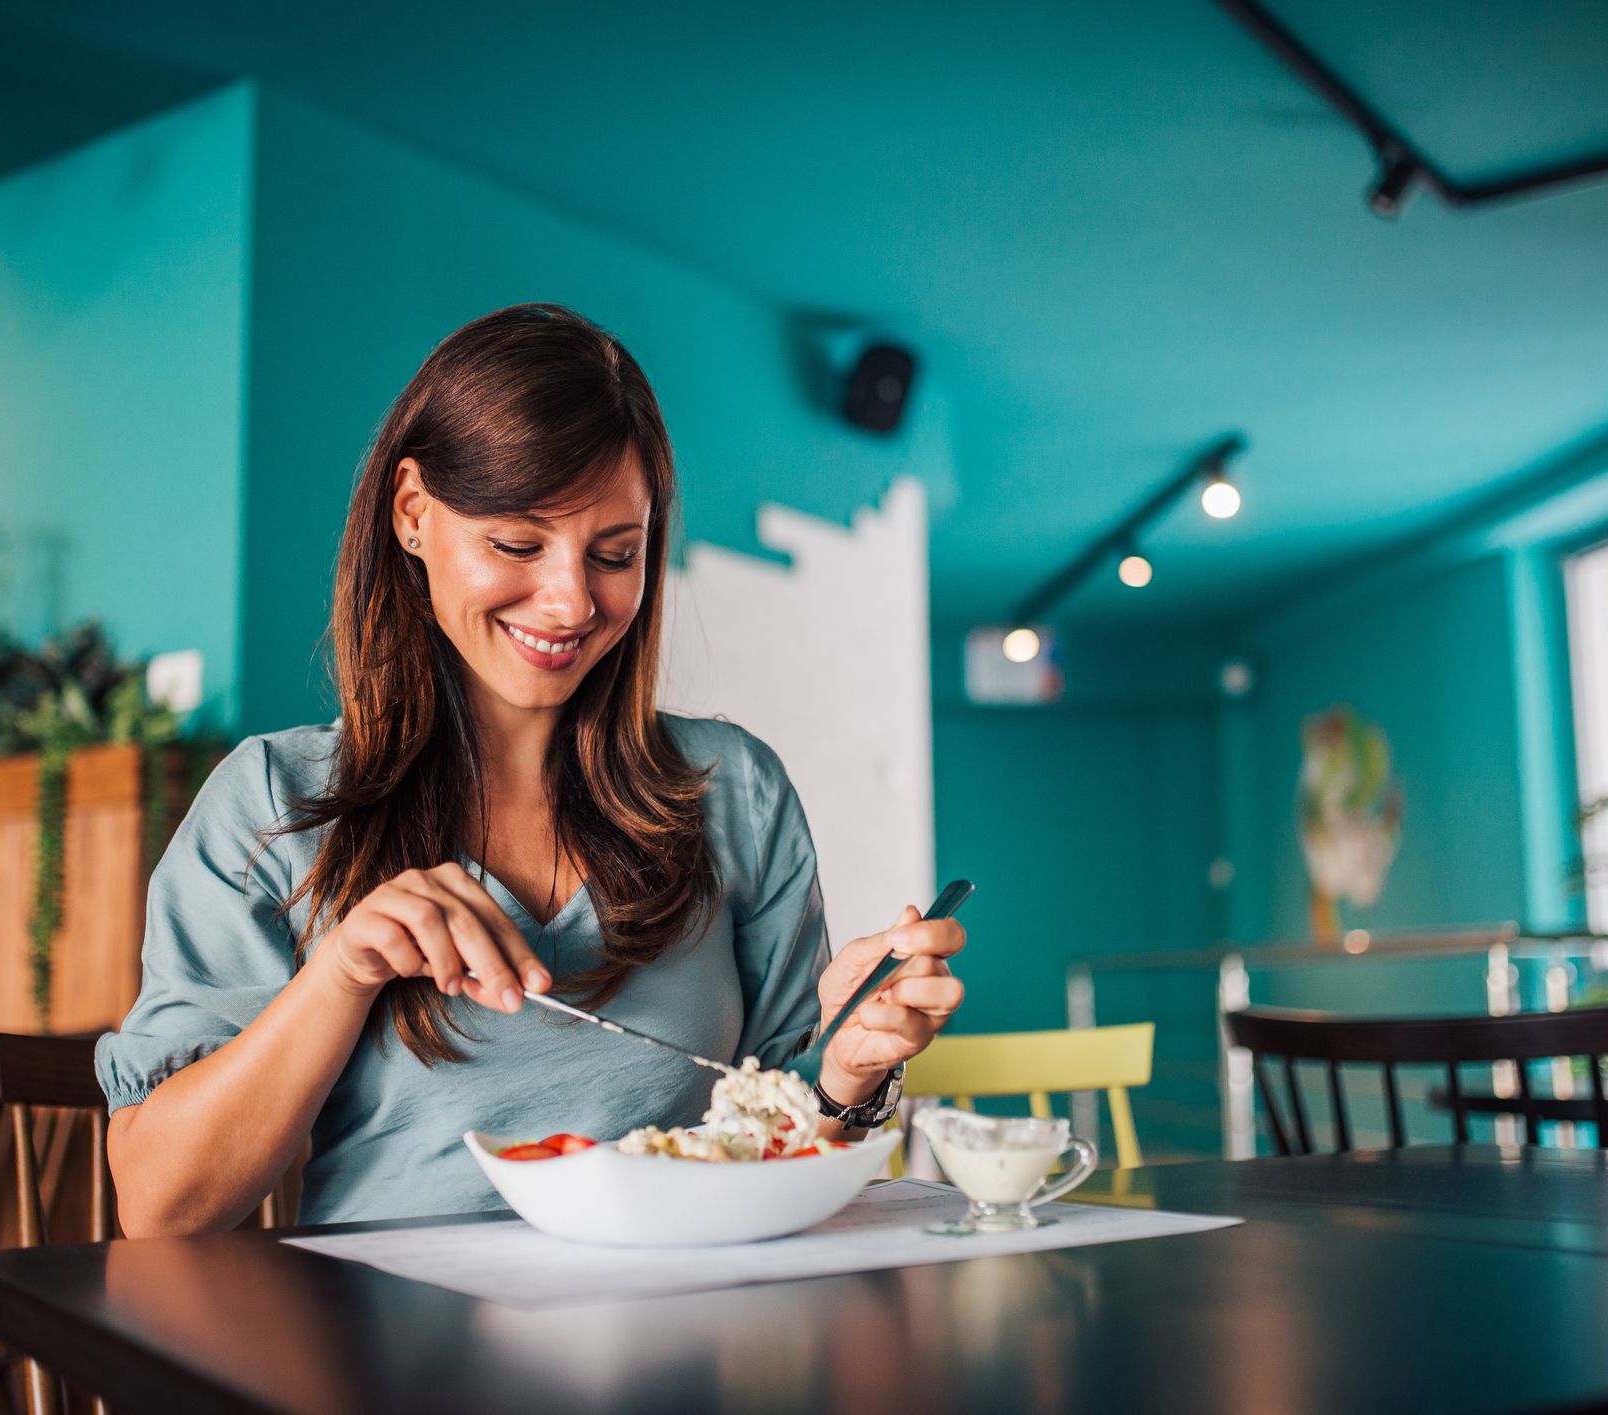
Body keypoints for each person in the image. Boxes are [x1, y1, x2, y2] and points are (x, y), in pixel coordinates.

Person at [98, 304, 966, 1234]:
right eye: (516, 544)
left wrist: (847, 1072)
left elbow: (783, 1144)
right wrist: (340, 973)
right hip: (387, 1350)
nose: (568, 601)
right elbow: (161, 1205)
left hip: (690, 1337)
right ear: (413, 514)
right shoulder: (273, 803)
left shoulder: (733, 790)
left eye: (614, 555)